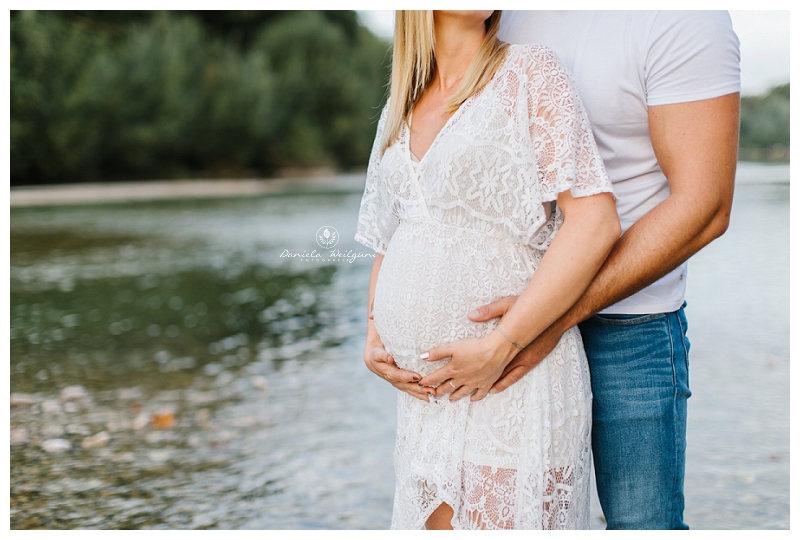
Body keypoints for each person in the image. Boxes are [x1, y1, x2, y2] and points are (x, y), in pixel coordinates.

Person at [368, 11, 741, 530]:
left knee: (641, 523)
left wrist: (543, 324)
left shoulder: (680, 16)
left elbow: (705, 205)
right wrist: (380, 327)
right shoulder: (502, 18)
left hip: (628, 323)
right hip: (488, 343)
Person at [356, 10, 620, 530]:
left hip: (510, 380)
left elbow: (595, 221)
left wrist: (504, 343)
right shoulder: (401, 102)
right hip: (427, 399)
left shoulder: (530, 72)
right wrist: (373, 333)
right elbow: (391, 232)